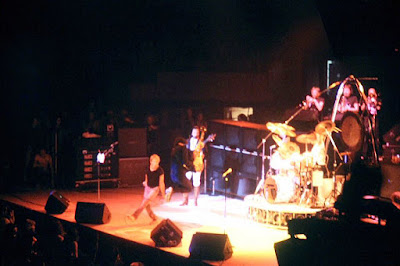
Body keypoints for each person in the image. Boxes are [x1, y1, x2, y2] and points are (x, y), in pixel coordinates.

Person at [181, 126, 215, 206]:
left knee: (196, 183)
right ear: (191, 132)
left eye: (197, 132)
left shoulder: (201, 142)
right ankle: (185, 200)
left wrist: (207, 140)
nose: (195, 133)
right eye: (194, 132)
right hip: (189, 164)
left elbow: (202, 148)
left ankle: (195, 200)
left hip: (197, 165)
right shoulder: (187, 141)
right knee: (185, 182)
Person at [127, 154, 165, 222]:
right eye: (154, 161)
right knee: (147, 205)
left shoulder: (160, 171)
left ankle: (134, 216)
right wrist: (145, 182)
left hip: (155, 189)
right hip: (148, 188)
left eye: (157, 162)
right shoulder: (147, 168)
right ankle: (154, 217)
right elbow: (146, 178)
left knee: (145, 202)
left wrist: (163, 194)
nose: (156, 163)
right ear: (151, 161)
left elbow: (161, 183)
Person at [167, 137, 193, 202]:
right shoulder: (183, 148)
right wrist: (193, 166)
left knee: (182, 185)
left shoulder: (174, 149)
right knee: (189, 187)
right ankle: (172, 189)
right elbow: (185, 161)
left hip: (173, 172)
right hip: (179, 172)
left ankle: (184, 200)